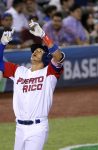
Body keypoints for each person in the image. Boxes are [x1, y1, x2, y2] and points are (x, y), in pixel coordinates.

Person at [0, 20, 65, 150]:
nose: (35, 52)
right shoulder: (19, 71)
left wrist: (43, 35)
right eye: (34, 51)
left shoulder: (49, 73)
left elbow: (58, 57)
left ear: (46, 57)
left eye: (40, 51)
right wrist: (2, 44)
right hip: (19, 127)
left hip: (38, 128)